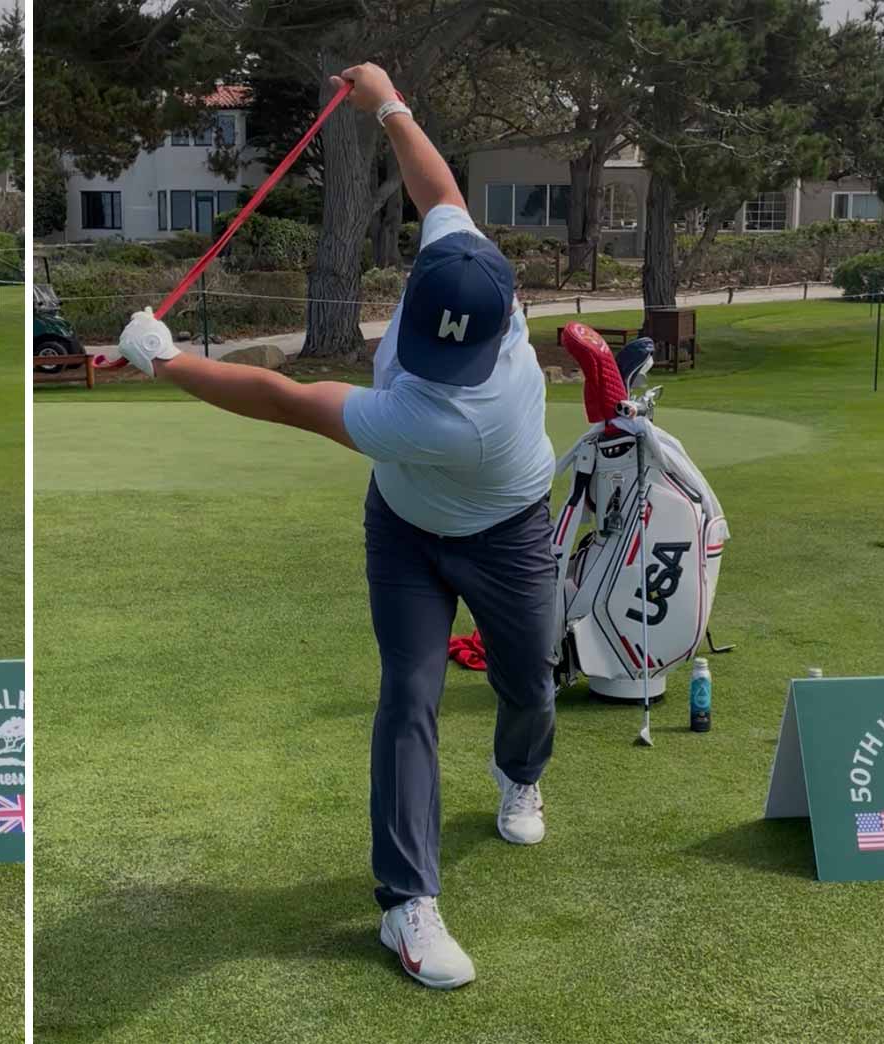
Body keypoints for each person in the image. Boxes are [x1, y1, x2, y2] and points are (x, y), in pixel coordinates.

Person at [112, 64, 556, 990]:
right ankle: (408, 904)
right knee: (409, 696)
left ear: (496, 328)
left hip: (508, 532)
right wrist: (390, 102)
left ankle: (520, 772)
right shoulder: (467, 260)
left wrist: (169, 365)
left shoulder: (455, 415)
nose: (428, 362)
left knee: (529, 686)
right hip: (403, 529)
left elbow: (282, 397)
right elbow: (440, 189)